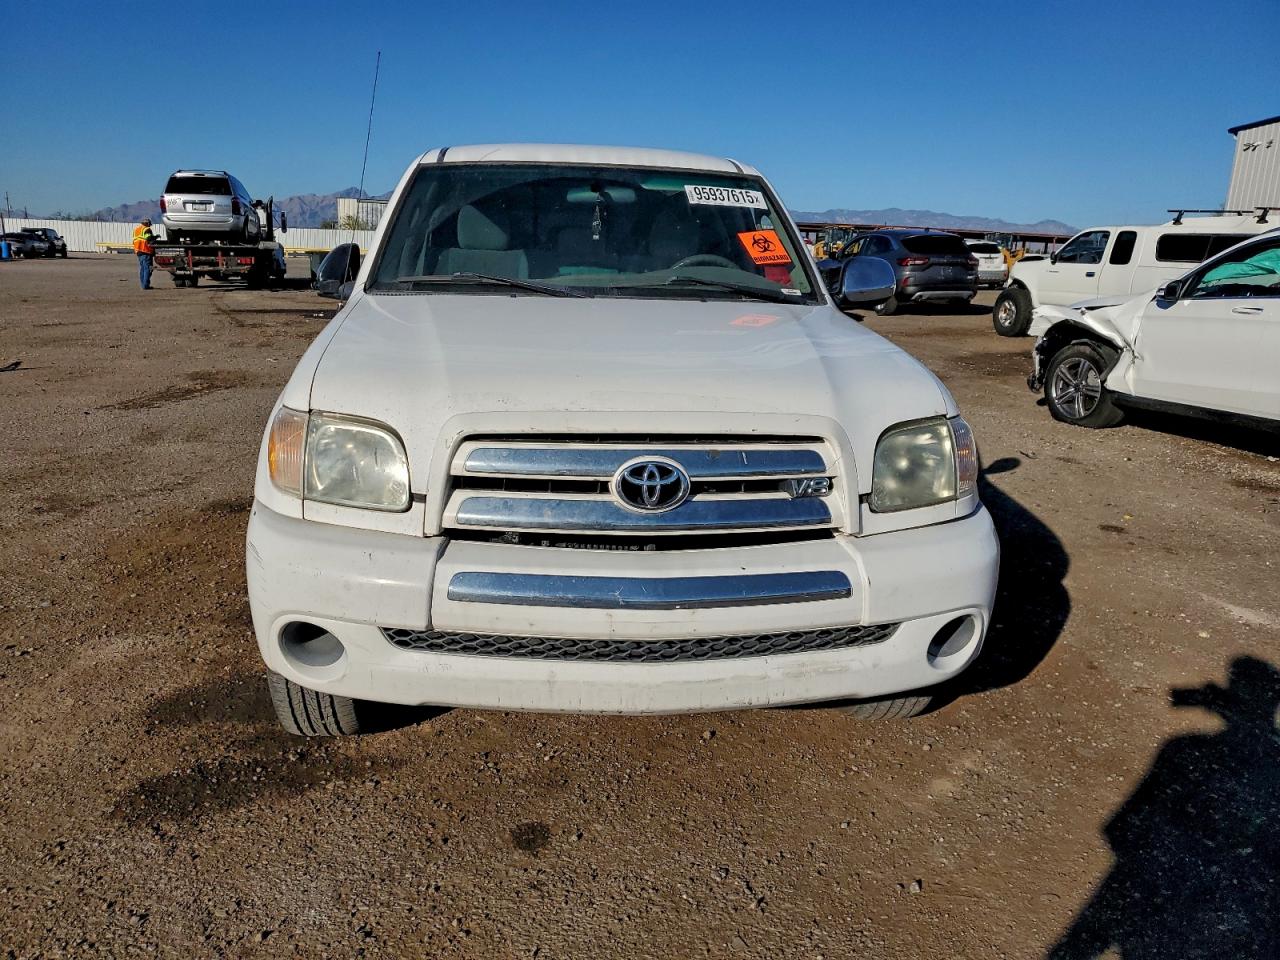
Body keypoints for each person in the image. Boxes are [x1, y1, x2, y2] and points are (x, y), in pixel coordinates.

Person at [132, 218, 158, 290]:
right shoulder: (146, 229)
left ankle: (143, 284)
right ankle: (145, 285)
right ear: (147, 224)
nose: (150, 226)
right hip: (146, 251)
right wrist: (155, 238)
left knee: (143, 268)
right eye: (149, 224)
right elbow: (148, 238)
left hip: (139, 251)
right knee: (147, 269)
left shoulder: (137, 230)